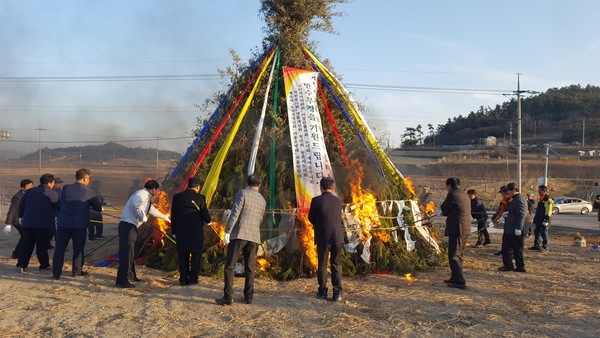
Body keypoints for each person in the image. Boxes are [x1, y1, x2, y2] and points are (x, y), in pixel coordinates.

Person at [215, 174, 266, 305]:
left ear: (247, 184)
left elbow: (235, 213)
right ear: (259, 186)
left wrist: (227, 231)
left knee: (230, 266)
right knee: (250, 267)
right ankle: (248, 296)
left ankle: (228, 297)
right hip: (254, 235)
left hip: (239, 234)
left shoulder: (242, 193)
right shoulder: (262, 199)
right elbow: (260, 219)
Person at [115, 179, 170, 288]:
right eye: (157, 190)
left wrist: (165, 217)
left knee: (131, 252)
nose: (158, 193)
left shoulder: (147, 198)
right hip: (128, 226)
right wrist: (142, 217)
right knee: (126, 253)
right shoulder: (141, 194)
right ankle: (122, 280)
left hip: (132, 227)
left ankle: (130, 274)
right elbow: (137, 205)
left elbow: (152, 210)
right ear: (153, 189)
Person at [52, 169, 103, 280]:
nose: (89, 181)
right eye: (89, 179)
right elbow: (98, 208)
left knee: (60, 248)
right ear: (85, 178)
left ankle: (56, 273)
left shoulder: (66, 188)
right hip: (79, 225)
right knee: (78, 248)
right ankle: (77, 271)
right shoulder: (90, 192)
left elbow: (63, 200)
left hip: (63, 223)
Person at [308, 176, 345, 301]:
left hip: (323, 236)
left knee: (322, 264)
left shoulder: (316, 200)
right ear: (332, 188)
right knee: (336, 264)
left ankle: (322, 292)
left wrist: (319, 224)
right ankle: (337, 293)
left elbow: (311, 217)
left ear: (321, 188)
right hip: (338, 237)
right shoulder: (337, 201)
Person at [170, 177, 212, 286]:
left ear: (188, 185)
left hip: (181, 231)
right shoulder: (200, 198)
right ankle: (193, 278)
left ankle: (183, 278)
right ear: (198, 187)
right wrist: (209, 221)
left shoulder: (177, 197)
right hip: (195, 232)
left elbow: (173, 215)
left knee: (183, 254)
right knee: (195, 255)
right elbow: (206, 217)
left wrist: (173, 231)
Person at [17, 174, 61, 272]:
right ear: (51, 182)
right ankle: (44, 265)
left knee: (27, 244)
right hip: (44, 224)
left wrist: (21, 217)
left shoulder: (29, 192)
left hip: (28, 223)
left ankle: (21, 265)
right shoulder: (52, 193)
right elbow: (59, 207)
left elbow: (22, 205)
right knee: (42, 245)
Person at [440, 177, 471, 290]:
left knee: (454, 255)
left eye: (446, 186)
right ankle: (455, 277)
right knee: (459, 255)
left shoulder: (453, 194)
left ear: (449, 185)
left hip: (458, 228)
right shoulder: (464, 194)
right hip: (464, 228)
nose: (446, 188)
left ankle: (459, 281)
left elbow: (445, 208)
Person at [499, 183, 528, 272]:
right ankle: (520, 266)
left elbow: (521, 214)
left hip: (514, 229)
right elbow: (516, 212)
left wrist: (518, 228)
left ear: (514, 190)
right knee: (517, 248)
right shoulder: (518, 198)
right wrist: (507, 214)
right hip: (515, 228)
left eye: (509, 191)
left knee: (507, 247)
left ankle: (508, 265)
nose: (508, 193)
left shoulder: (518, 200)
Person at [4, 179, 34, 259]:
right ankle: (17, 254)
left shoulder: (31, 193)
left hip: (25, 219)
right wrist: (8, 224)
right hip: (17, 220)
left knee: (25, 236)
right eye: (29, 187)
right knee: (25, 236)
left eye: (32, 186)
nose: (31, 188)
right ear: (22, 188)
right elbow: (12, 210)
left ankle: (17, 253)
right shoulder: (18, 196)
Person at [530, 185, 554, 252]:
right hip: (539, 219)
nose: (538, 192)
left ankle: (545, 246)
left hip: (544, 219)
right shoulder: (541, 198)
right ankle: (536, 245)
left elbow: (548, 211)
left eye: (540, 190)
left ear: (544, 191)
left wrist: (546, 219)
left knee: (544, 233)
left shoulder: (548, 199)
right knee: (537, 232)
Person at [492, 186, 513, 256]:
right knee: (505, 238)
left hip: (512, 222)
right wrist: (494, 220)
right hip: (507, 221)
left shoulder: (513, 201)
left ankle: (509, 253)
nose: (502, 195)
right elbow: (500, 211)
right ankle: (503, 251)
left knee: (510, 239)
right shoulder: (503, 201)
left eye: (503, 194)